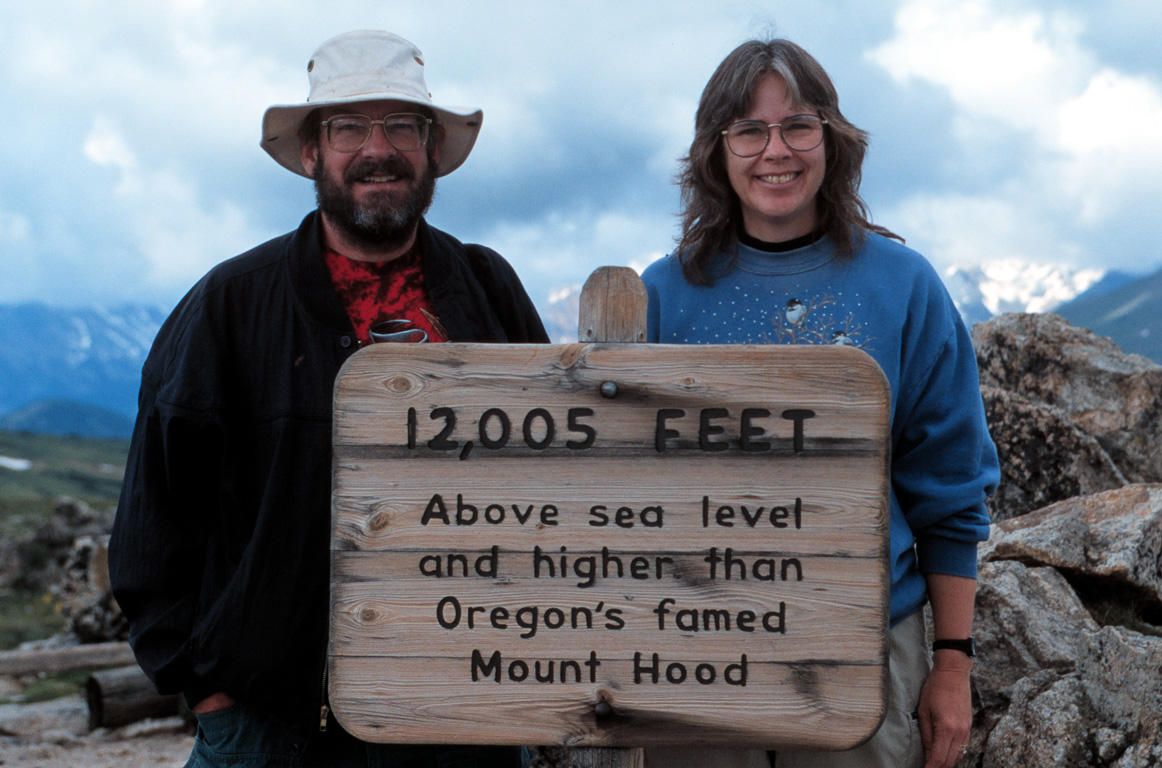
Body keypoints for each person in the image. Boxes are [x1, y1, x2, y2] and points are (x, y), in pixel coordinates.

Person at [109, 30, 546, 768]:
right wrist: (206, 689)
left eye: (402, 125)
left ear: (432, 149)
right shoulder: (230, 305)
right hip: (274, 727)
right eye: (348, 127)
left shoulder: (486, 289)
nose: (378, 149)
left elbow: (560, 474)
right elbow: (154, 516)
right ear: (312, 153)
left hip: (465, 712)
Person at [640, 39, 999, 768]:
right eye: (749, 130)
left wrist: (953, 664)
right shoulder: (660, 295)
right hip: (694, 652)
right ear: (716, 152)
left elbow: (950, 488)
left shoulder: (903, 285)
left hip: (861, 645)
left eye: (798, 125)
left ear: (832, 140)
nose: (777, 150)